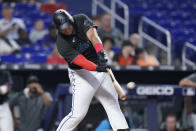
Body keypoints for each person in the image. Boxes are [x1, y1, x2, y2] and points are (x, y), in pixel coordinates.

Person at [53, 9, 129, 131]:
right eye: (63, 29)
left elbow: (93, 36)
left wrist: (100, 53)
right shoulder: (62, 44)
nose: (67, 30)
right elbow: (81, 61)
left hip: (99, 66)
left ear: (71, 21)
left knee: (113, 104)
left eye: (68, 26)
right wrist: (97, 67)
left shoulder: (81, 19)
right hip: (81, 75)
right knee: (78, 114)